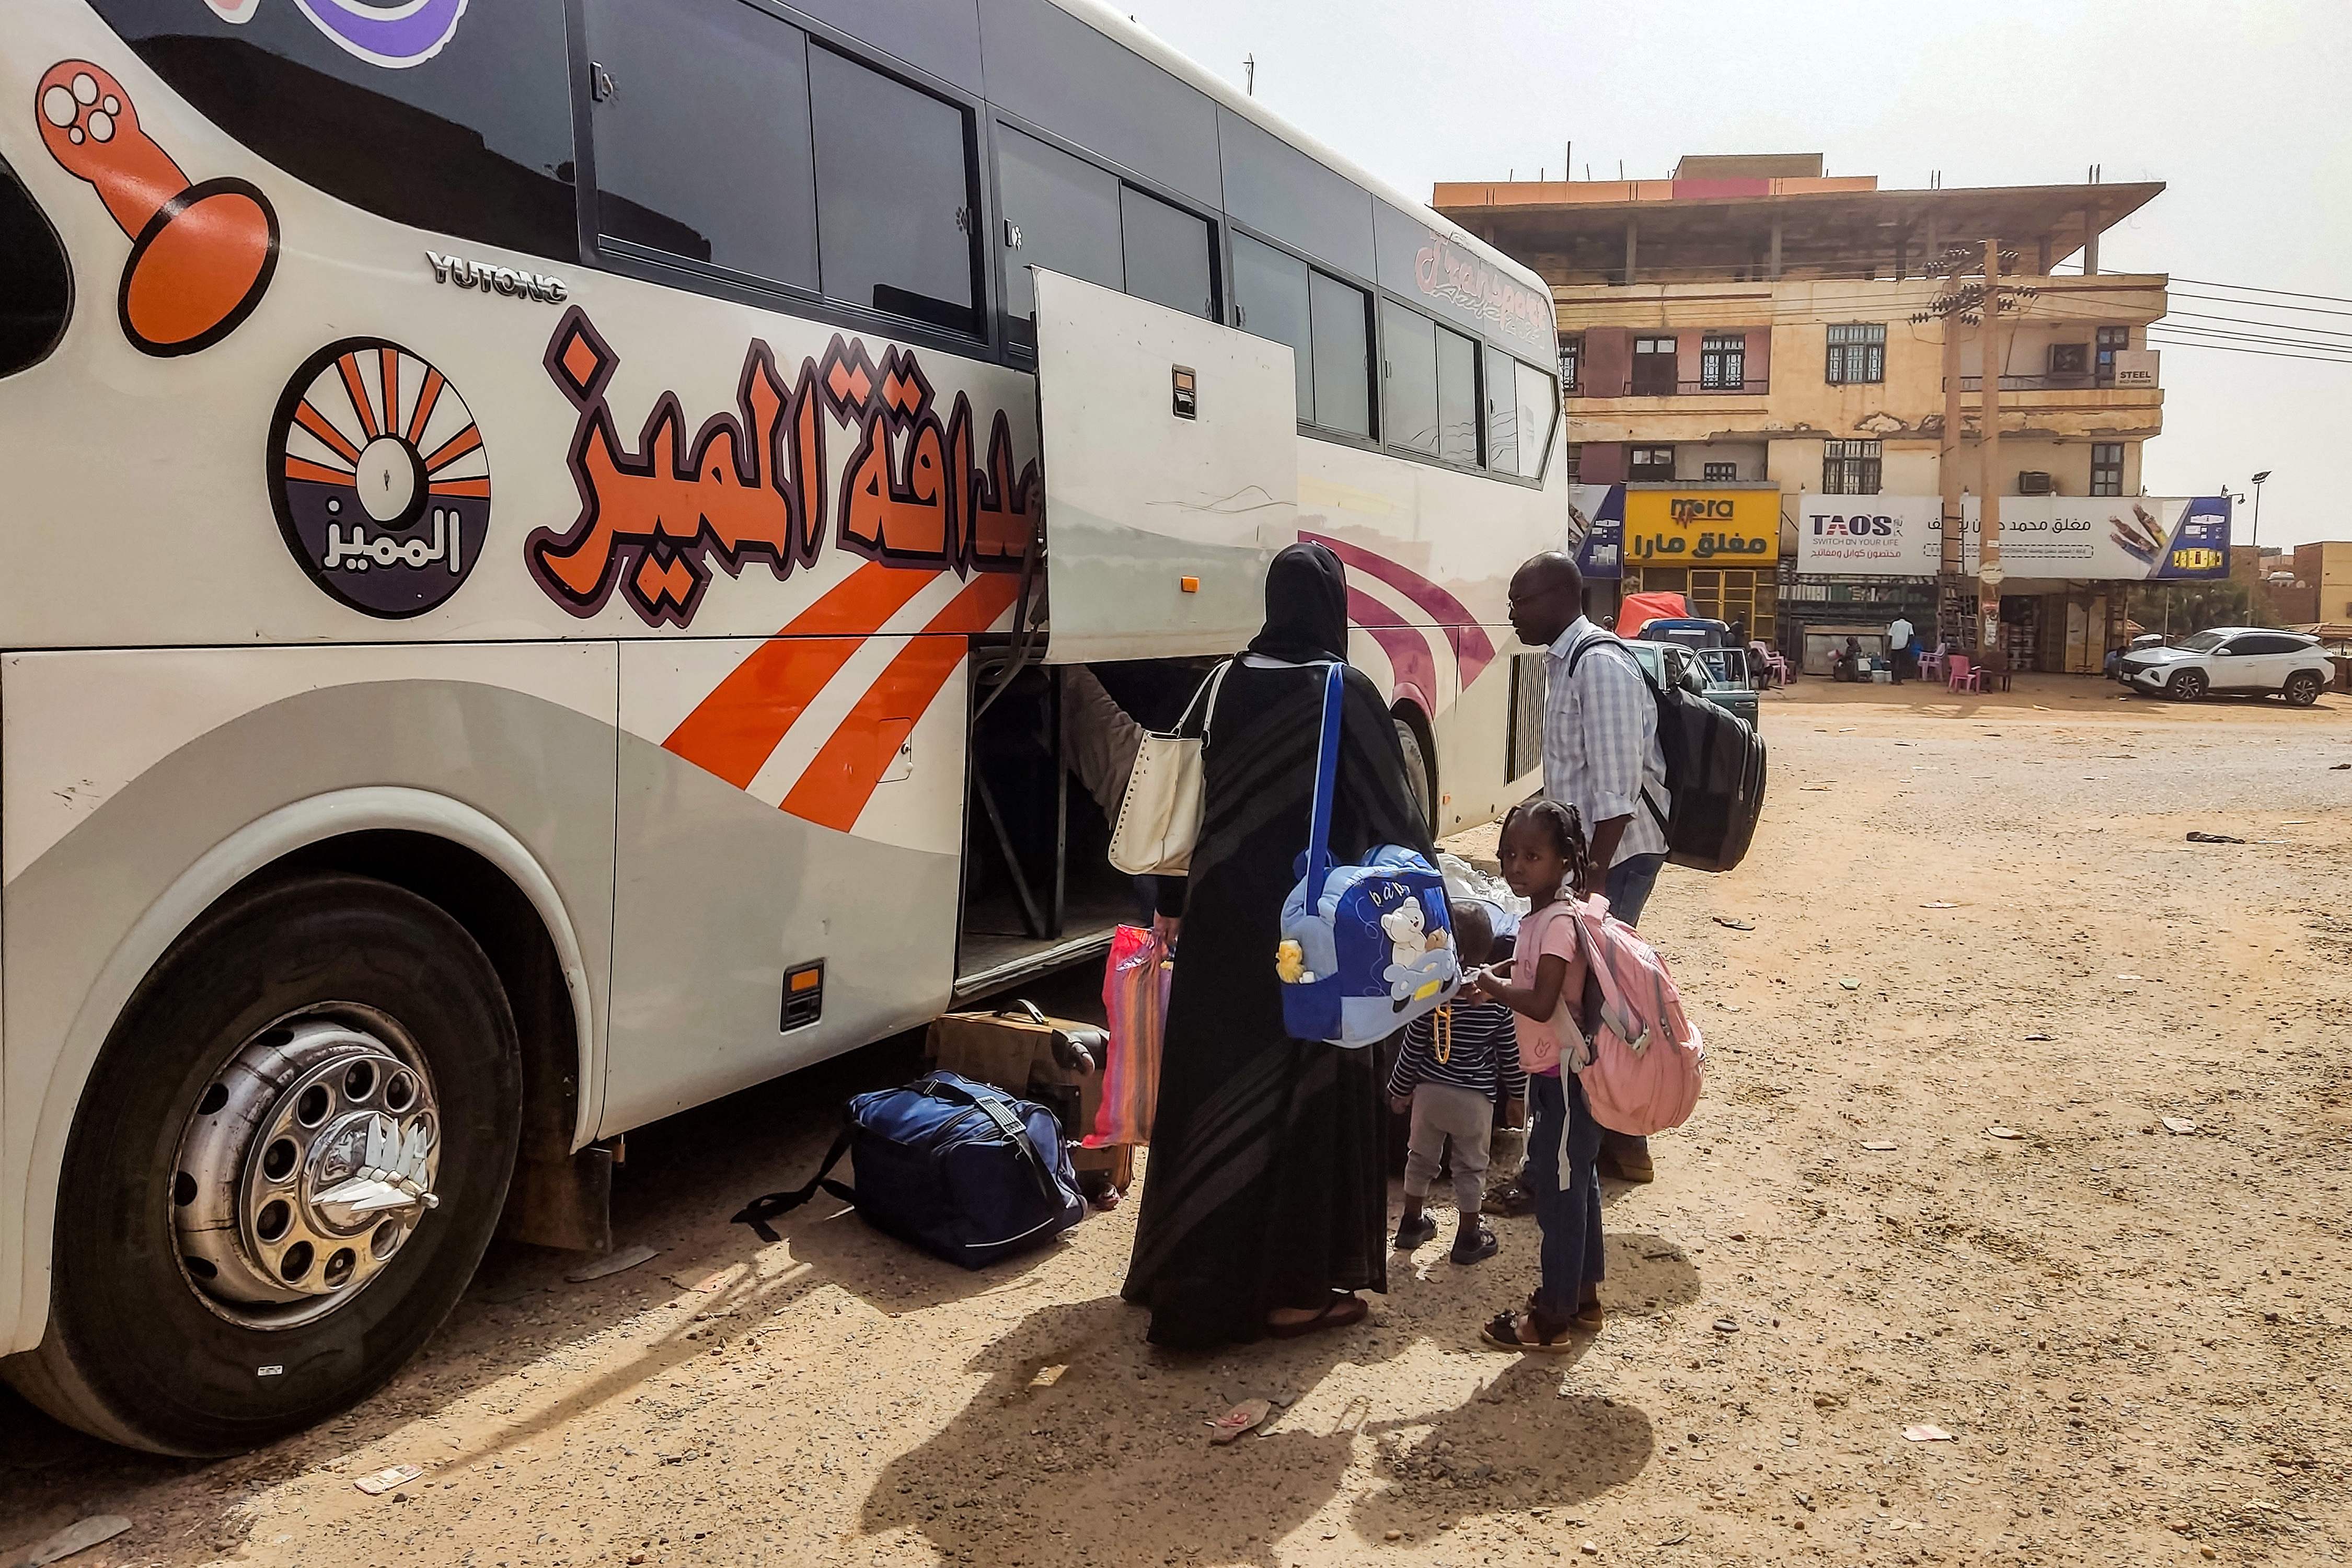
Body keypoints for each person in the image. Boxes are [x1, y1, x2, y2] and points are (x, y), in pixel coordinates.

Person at [1121, 541, 1434, 1347]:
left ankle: (1185, 1276)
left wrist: (1172, 904)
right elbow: (1396, 828)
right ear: (1333, 609)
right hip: (1310, 936)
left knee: (1212, 1098)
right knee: (1303, 1105)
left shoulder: (1220, 684)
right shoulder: (1345, 690)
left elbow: (1186, 815)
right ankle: (1291, 1292)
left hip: (1221, 925)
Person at [1504, 551, 1667, 1184]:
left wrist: (1589, 884)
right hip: (1590, 862)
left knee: (1586, 1010)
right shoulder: (1565, 661)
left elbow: (1618, 791)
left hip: (1615, 859)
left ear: (1557, 598)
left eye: (1521, 601)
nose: (1512, 613)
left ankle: (1580, 1153)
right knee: (1599, 1003)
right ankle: (1622, 1144)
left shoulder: (1598, 665)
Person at [1470, 799, 1602, 1350]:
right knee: (1578, 1183)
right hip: (1558, 1075)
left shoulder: (1556, 924)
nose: (1516, 866)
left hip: (1566, 1081)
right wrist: (1496, 975)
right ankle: (1583, 1298)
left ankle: (1550, 1321)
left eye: (1532, 855)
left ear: (1565, 860)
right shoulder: (1547, 917)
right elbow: (1534, 971)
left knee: (1558, 1194)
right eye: (1508, 855)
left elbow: (1544, 998)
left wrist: (1495, 987)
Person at [1386, 901, 1523, 1266]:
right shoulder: (1495, 999)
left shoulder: (1431, 991)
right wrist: (1518, 1097)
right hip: (1475, 1100)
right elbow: (1510, 1051)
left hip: (1429, 1095)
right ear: (1489, 949)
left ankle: (1411, 1225)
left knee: (1419, 1160)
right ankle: (1467, 1237)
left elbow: (1413, 1046)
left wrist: (1400, 1089)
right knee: (1470, 1168)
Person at [1887, 614, 1916, 683]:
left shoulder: (1895, 624)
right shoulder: (1909, 625)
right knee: (1902, 664)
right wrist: (1909, 645)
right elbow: (1911, 636)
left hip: (1895, 646)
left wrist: (1889, 645)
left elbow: (1891, 635)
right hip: (1904, 646)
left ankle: (1894, 679)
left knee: (1893, 663)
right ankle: (1899, 680)